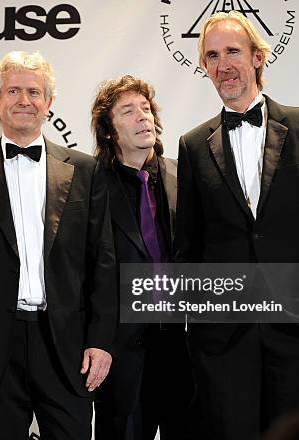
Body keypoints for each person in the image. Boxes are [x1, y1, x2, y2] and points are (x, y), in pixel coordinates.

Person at [176, 11, 299, 440]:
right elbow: (189, 248)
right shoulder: (192, 144)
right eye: (212, 55)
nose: (224, 65)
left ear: (258, 57)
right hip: (225, 343)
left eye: (233, 51)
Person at [0, 51, 117, 440]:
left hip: (67, 346)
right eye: (13, 91)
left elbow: (103, 262)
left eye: (34, 91)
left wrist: (100, 341)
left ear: (49, 103)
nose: (24, 100)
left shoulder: (86, 170)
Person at [90, 75, 193, 440]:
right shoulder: (91, 185)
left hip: (184, 343)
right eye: (128, 112)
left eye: (146, 110)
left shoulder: (183, 175)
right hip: (123, 347)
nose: (143, 118)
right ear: (108, 130)